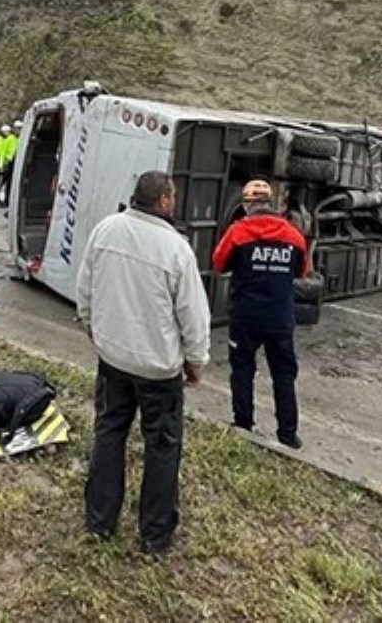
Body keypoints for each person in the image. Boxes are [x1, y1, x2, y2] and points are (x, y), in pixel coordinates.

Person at [79, 171, 211, 554]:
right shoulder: (176, 250)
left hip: (113, 359)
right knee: (162, 446)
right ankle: (154, 535)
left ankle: (99, 521)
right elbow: (193, 317)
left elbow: (85, 288)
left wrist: (94, 331)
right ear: (165, 202)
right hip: (158, 369)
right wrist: (195, 362)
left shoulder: (105, 230)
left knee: (108, 434)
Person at [212, 179, 309, 449]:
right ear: (272, 203)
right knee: (284, 374)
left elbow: (219, 264)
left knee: (242, 370)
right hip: (280, 318)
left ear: (246, 205)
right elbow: (302, 271)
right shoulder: (293, 235)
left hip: (245, 316)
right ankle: (288, 433)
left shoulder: (238, 232)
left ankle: (243, 424)